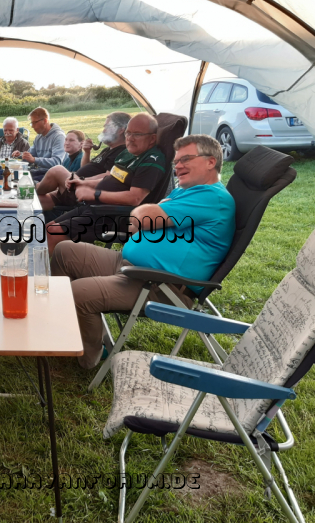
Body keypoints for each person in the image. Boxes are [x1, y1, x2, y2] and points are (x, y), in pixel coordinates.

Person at [50, 135, 235, 369]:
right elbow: (142, 218)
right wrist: (150, 213)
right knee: (66, 251)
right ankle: (68, 330)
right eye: (176, 161)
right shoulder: (188, 192)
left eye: (186, 159)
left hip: (160, 285)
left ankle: (88, 357)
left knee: (77, 293)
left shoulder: (211, 198)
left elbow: (141, 216)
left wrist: (148, 213)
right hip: (132, 267)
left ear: (211, 162)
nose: (178, 166)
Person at [46, 113, 167, 254]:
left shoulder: (152, 161)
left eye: (137, 134)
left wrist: (95, 194)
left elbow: (135, 198)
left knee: (53, 232)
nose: (130, 138)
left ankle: (54, 272)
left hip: (110, 216)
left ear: (152, 138)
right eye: (128, 133)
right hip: (93, 207)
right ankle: (61, 268)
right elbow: (109, 178)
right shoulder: (128, 154)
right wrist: (83, 182)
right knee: (49, 227)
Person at [36, 112, 131, 213]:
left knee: (57, 170)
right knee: (35, 202)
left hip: (83, 191)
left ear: (121, 130)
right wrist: (87, 152)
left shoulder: (121, 151)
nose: (103, 130)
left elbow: (109, 177)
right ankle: (28, 191)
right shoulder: (108, 150)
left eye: (107, 126)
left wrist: (82, 181)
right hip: (74, 187)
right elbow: (85, 168)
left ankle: (32, 190)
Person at [12, 107, 66, 181]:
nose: (33, 126)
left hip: (53, 175)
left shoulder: (58, 137)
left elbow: (57, 162)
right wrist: (21, 155)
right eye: (32, 123)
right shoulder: (39, 137)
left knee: (24, 182)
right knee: (15, 177)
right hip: (39, 172)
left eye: (35, 123)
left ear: (45, 121)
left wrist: (34, 160)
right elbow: (31, 154)